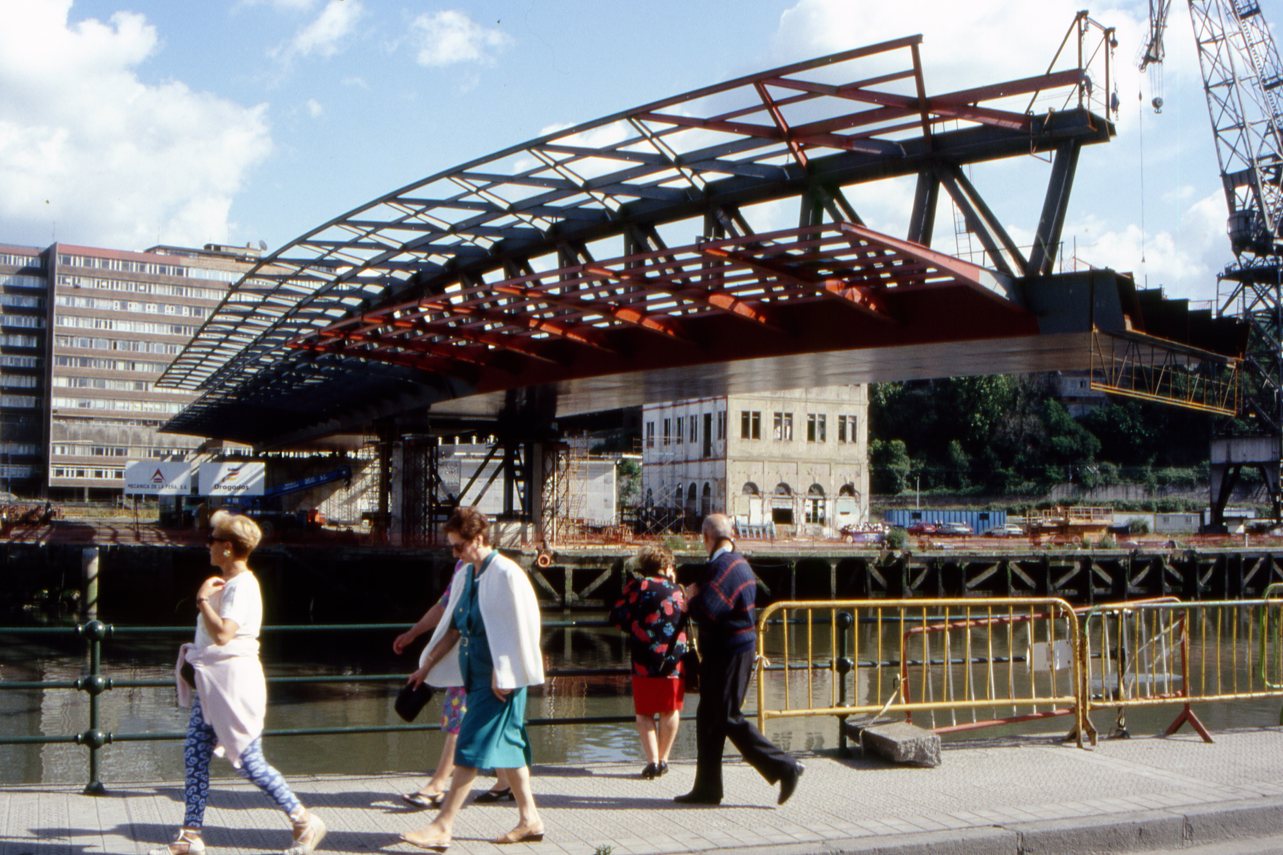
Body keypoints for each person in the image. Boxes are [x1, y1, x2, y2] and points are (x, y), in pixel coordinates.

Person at [149, 510, 326, 855]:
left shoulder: (241, 586)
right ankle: (191, 834)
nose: (208, 546)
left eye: (212, 540)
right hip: (214, 683)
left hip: (232, 684)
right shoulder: (232, 584)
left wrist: (201, 600)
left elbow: (225, 634)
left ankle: (303, 819)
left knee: (249, 759)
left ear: (227, 548)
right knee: (196, 753)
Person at [401, 507, 545, 851]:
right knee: (510, 748)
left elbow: (522, 624)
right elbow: (453, 626)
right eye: (452, 546)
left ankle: (442, 824)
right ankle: (530, 820)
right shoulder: (468, 574)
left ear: (478, 539)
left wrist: (504, 670)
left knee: (469, 746)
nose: (454, 553)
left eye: (458, 546)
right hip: (477, 675)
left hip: (498, 681)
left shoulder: (507, 574)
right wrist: (428, 665)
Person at [675, 513, 804, 807]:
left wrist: (689, 598)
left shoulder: (724, 566)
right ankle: (707, 789)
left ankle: (784, 766)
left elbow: (708, 609)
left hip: (730, 651)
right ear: (730, 534)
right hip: (730, 649)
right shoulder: (736, 562)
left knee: (726, 716)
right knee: (709, 718)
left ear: (707, 538)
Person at [395, 563, 513, 807]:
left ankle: (437, 786)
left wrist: (425, 656)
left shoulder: (483, 570)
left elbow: (452, 614)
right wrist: (414, 633)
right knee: (497, 723)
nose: (453, 551)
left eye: (457, 545)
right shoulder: (468, 567)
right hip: (475, 659)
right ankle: (506, 782)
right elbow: (445, 606)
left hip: (475, 660)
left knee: (458, 719)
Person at [609, 543, 688, 779]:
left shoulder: (639, 587)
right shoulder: (678, 590)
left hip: (644, 658)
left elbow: (617, 616)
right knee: (670, 709)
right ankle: (664, 760)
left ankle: (652, 762)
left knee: (644, 713)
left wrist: (636, 627)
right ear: (666, 566)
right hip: (673, 658)